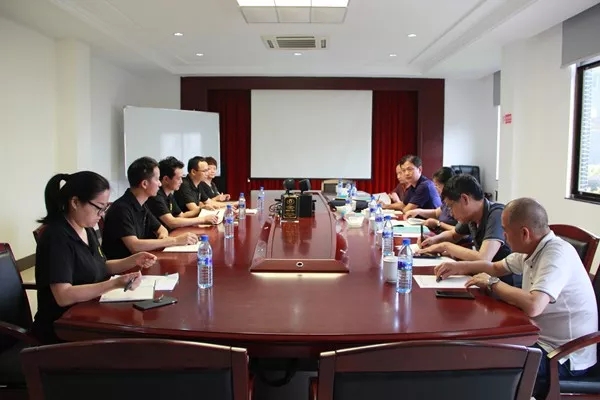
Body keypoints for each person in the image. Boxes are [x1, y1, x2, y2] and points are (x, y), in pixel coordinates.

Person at [434, 198, 597, 399]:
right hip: (538, 339)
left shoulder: (556, 254)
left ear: (524, 233)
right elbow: (495, 267)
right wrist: (458, 267)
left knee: (482, 366)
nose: (503, 235)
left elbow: (534, 305)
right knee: (475, 351)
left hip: (563, 357)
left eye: (505, 230)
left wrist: (493, 283)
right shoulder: (534, 248)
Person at [32, 172, 157, 344]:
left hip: (87, 312)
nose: (101, 214)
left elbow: (100, 266)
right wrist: (114, 284)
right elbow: (63, 295)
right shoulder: (56, 237)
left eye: (104, 208)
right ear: (75, 202)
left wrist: (134, 260)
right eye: (99, 207)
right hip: (63, 329)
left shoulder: (86, 228)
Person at [417, 174, 518, 286]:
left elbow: (484, 257)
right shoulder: (471, 216)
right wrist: (433, 240)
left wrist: (445, 246)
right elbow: (453, 235)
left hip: (505, 285)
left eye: (451, 206)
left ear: (464, 199)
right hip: (484, 280)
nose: (451, 213)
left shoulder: (497, 214)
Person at [101, 157, 198, 260]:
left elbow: (161, 229)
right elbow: (134, 246)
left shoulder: (142, 204)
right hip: (125, 267)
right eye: (157, 179)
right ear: (144, 184)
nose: (160, 183)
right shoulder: (121, 209)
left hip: (142, 261)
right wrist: (175, 241)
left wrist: (163, 238)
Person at [146, 156, 218, 230]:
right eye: (178, 178)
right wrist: (203, 220)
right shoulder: (156, 195)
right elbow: (172, 222)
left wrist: (201, 209)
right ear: (166, 179)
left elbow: (181, 215)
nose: (181, 181)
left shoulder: (169, 195)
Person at [404, 166, 458, 232]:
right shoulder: (445, 200)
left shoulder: (457, 203)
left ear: (447, 185)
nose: (436, 188)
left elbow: (460, 232)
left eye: (438, 185)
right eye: (435, 185)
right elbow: (436, 213)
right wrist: (418, 211)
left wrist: (438, 224)